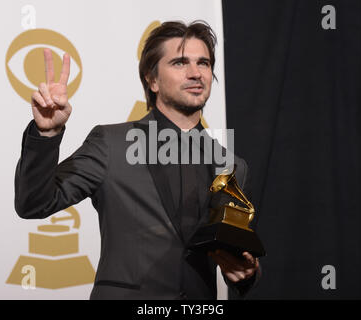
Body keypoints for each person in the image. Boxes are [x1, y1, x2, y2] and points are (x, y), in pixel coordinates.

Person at [14, 20, 260, 300]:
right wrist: (47, 133)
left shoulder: (232, 166)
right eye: (180, 63)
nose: (195, 73)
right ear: (151, 79)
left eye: (203, 63)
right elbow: (33, 203)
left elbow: (240, 255)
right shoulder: (111, 145)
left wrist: (248, 272)